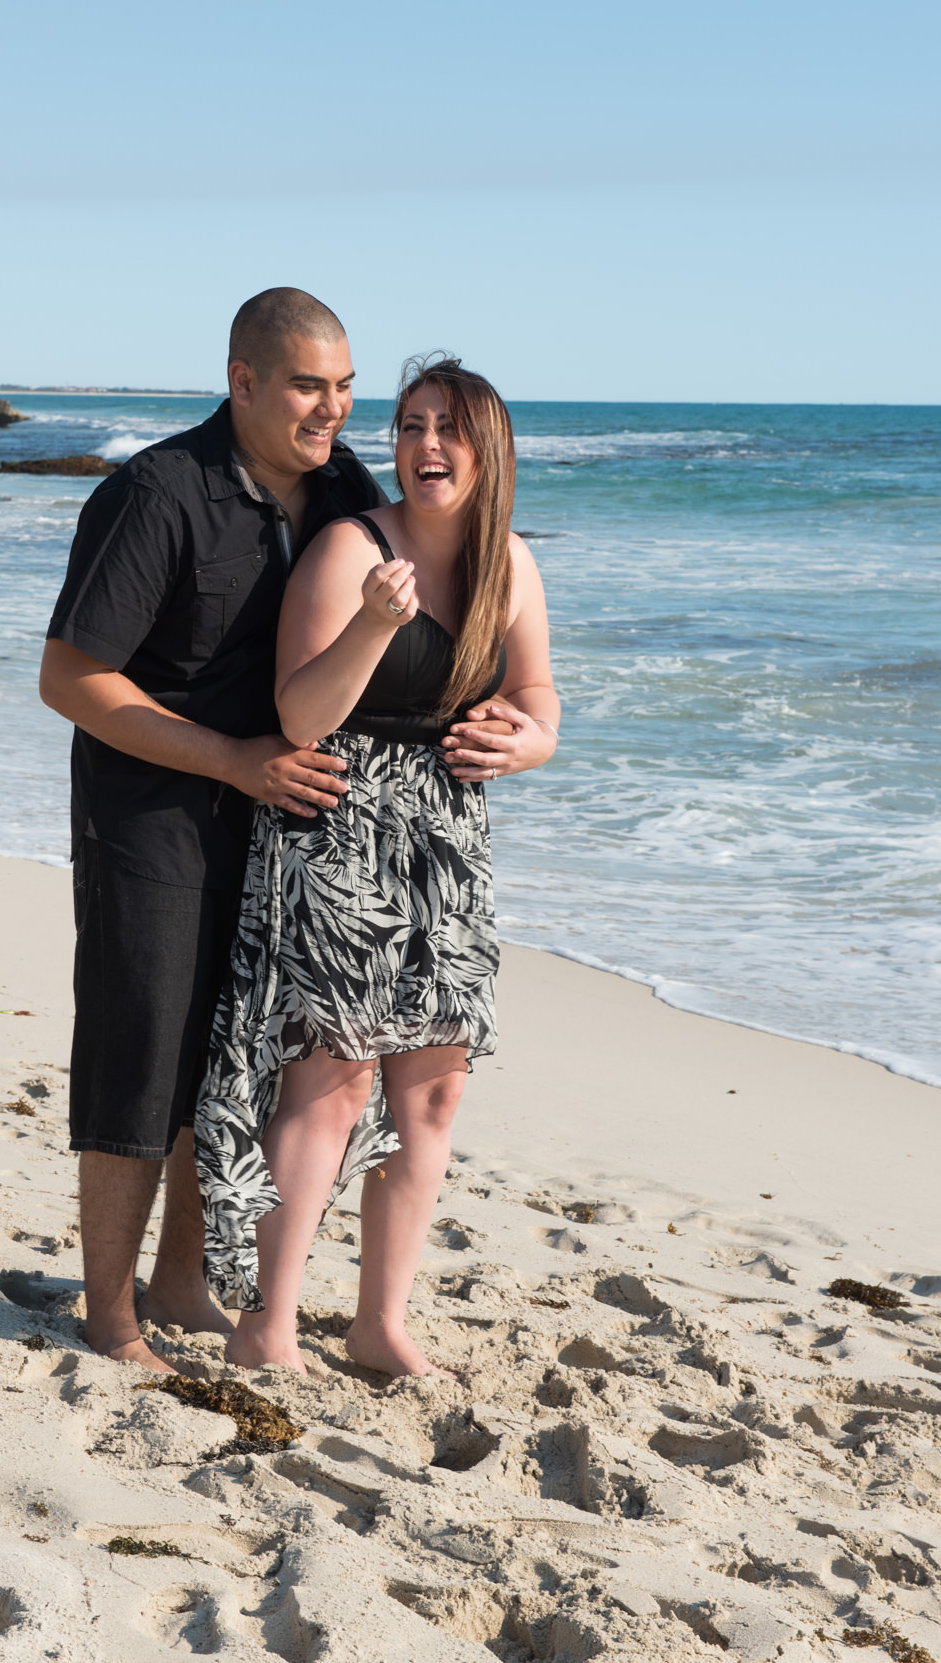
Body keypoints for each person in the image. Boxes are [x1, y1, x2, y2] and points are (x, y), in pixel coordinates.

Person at [39, 288, 386, 1371]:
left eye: (341, 387)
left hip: (278, 823)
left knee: (225, 1057)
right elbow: (71, 677)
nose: (328, 409)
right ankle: (109, 1315)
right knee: (140, 1047)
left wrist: (511, 706)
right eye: (304, 386)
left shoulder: (344, 490)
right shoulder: (157, 493)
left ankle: (181, 1283)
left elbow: (422, 597)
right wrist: (232, 757)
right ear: (241, 382)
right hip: (147, 811)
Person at [195, 355, 561, 1378]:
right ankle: (269, 1325)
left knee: (433, 1091)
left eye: (449, 428)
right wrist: (373, 621)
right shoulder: (347, 547)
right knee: (332, 1082)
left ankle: (378, 1324)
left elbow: (540, 701)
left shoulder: (512, 565)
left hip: (449, 839)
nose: (426, 445)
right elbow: (301, 714)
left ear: (489, 449)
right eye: (409, 425)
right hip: (340, 821)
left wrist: (526, 744)